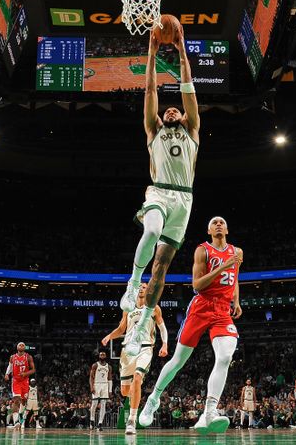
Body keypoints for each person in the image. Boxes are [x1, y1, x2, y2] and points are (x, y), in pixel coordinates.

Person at [119, 27, 200, 359]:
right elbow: (151, 88)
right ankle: (131, 283)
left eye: (175, 111)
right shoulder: (153, 130)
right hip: (159, 193)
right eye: (166, 110)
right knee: (151, 230)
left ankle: (139, 330)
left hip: (184, 200)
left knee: (162, 268)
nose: (171, 111)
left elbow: (188, 90)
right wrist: (151, 54)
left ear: (183, 117)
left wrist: (181, 52)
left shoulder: (192, 130)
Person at [139, 216, 243, 435]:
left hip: (223, 311)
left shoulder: (237, 252)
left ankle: (210, 411)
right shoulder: (202, 251)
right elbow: (197, 284)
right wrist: (223, 265)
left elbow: (234, 277)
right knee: (178, 361)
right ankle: (154, 397)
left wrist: (236, 300)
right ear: (208, 230)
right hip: (201, 306)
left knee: (225, 357)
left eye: (222, 222)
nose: (218, 224)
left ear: (227, 228)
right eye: (214, 222)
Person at [101, 283, 169, 435]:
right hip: (127, 350)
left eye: (144, 287)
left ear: (148, 290)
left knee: (137, 378)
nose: (141, 289)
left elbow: (162, 328)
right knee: (125, 391)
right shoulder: (128, 308)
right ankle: (135, 397)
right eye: (138, 287)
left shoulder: (154, 308)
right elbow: (121, 329)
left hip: (145, 347)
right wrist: (109, 336)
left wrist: (164, 344)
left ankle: (131, 420)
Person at [5, 342, 36, 430]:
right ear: (17, 347)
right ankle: (16, 421)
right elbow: (10, 366)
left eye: (23, 345)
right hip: (16, 381)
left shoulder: (28, 357)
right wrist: (7, 374)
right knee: (16, 400)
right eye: (20, 344)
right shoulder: (12, 357)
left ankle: (20, 416)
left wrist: (25, 373)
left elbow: (33, 370)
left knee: (23, 401)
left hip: (25, 381)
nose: (21, 345)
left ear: (25, 347)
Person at [89, 351, 112, 431]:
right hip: (96, 384)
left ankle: (100, 424)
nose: (102, 355)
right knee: (94, 403)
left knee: (103, 404)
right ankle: (92, 420)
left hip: (105, 385)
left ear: (106, 356)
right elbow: (91, 377)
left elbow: (110, 379)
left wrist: (110, 390)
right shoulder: (95, 365)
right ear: (99, 356)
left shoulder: (109, 367)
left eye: (103, 354)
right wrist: (92, 387)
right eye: (101, 354)